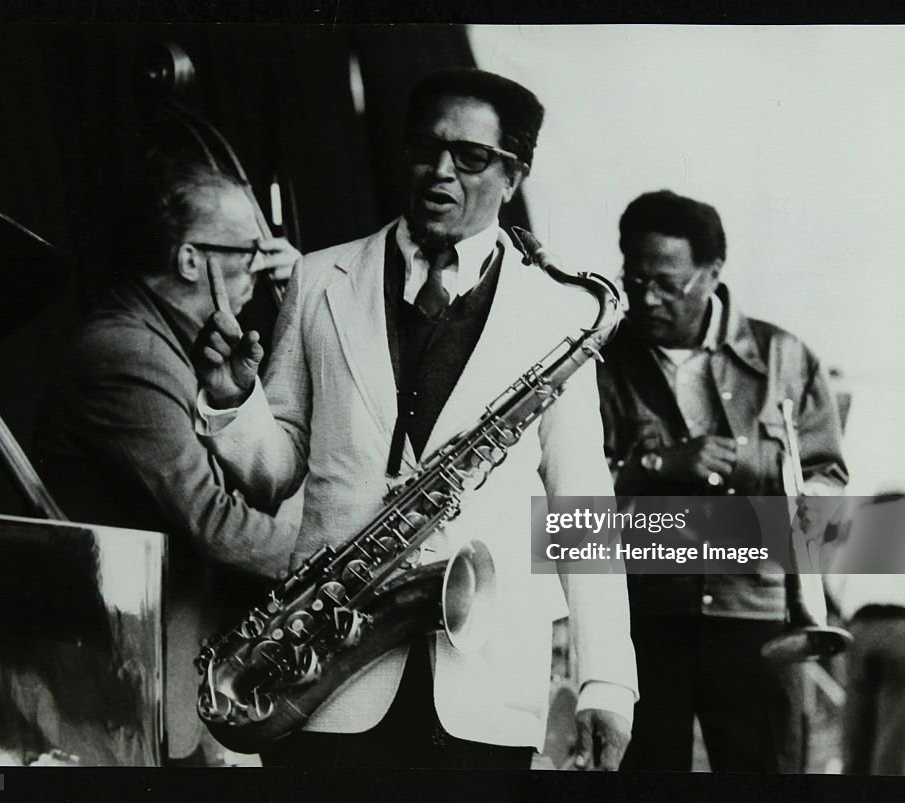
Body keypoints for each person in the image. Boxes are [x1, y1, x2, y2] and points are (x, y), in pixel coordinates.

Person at [192, 68, 638, 770]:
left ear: (513, 175)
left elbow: (583, 506)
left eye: (471, 157)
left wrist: (606, 681)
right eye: (427, 149)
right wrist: (231, 401)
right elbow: (274, 471)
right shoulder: (317, 278)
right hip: (325, 677)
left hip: (484, 686)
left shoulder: (561, 314)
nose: (441, 171)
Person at [33, 162, 302, 764]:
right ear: (189, 262)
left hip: (169, 648)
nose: (265, 264)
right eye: (250, 251)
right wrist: (331, 555)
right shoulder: (131, 354)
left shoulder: (167, 336)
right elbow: (214, 522)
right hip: (121, 675)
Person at [596, 190, 848, 772]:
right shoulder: (601, 361)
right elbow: (567, 509)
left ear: (712, 274)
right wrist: (661, 465)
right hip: (642, 619)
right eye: (634, 282)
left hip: (759, 621)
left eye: (667, 282)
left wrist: (756, 468)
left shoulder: (786, 356)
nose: (646, 298)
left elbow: (829, 496)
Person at [827, 493, 905, 775]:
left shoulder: (859, 539)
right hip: (902, 630)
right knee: (894, 729)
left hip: (859, 629)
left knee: (856, 722)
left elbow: (833, 579)